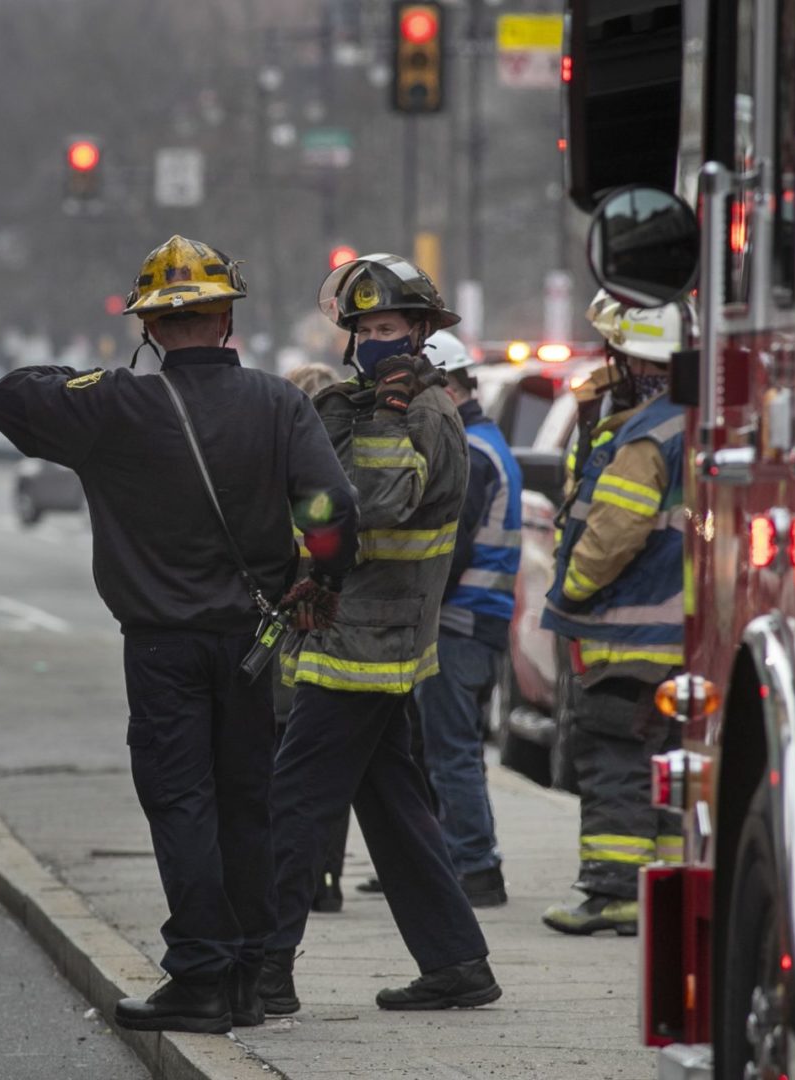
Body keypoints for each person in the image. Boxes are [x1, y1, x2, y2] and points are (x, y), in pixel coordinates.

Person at [0, 236, 359, 1034]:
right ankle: (254, 976)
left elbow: (12, 397)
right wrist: (320, 581)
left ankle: (198, 975)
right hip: (253, 639)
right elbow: (332, 507)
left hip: (162, 646)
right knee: (246, 802)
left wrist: (95, 379)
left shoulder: (115, 406)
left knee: (182, 804)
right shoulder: (278, 403)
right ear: (227, 317)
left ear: (149, 327)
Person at [262, 253, 502, 1015]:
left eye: (391, 326)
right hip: (359, 637)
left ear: (424, 331)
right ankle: (457, 962)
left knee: (294, 802)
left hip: (366, 645)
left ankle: (264, 968)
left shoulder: (422, 415)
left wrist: (387, 416)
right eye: (364, 326)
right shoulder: (365, 406)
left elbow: (375, 505)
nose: (374, 339)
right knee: (396, 809)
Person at [539, 292, 686, 935]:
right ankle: (670, 885)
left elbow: (612, 534)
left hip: (627, 635)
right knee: (671, 764)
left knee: (614, 761)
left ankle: (613, 891)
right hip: (679, 637)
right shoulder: (690, 420)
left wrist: (570, 590)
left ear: (632, 357)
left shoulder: (645, 435)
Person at [410, 330, 519, 907]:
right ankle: (451, 859)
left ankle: (475, 867)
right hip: (473, 622)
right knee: (452, 748)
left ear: (449, 386)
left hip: (461, 622)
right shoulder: (484, 440)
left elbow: (450, 549)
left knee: (450, 750)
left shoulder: (471, 451)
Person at [279, 360, 350, 914]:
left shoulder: (290, 469)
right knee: (334, 776)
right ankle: (327, 877)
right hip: (341, 634)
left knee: (291, 772)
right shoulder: (342, 462)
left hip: (295, 637)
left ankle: (299, 883)